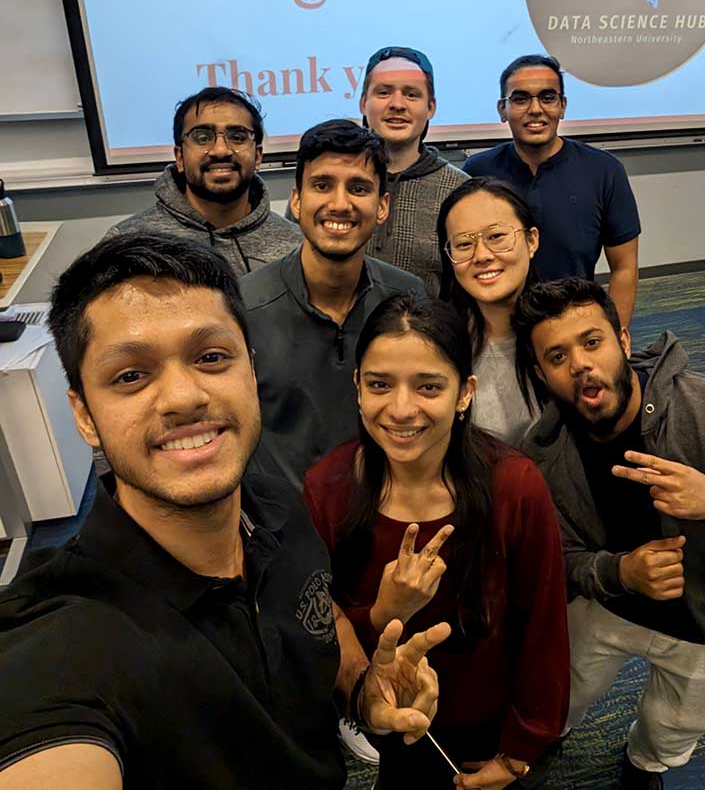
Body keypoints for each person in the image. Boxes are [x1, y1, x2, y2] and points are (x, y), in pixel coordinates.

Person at [0, 233, 449, 790]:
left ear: (250, 373)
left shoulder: (278, 507)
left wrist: (363, 687)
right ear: (84, 415)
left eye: (211, 357)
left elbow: (317, 613)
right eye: (131, 376)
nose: (184, 397)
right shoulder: (61, 642)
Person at [514, 277, 705, 789]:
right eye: (557, 357)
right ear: (541, 374)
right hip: (602, 607)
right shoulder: (540, 453)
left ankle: (644, 764)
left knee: (673, 728)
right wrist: (617, 571)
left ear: (623, 340)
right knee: (561, 694)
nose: (580, 364)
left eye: (592, 342)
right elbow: (554, 558)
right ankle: (545, 740)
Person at [304, 294, 570, 790]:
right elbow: (320, 623)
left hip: (490, 719)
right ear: (358, 386)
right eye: (381, 384)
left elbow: (544, 625)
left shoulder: (514, 486)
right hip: (393, 714)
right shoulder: (328, 486)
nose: (402, 410)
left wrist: (522, 748)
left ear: (465, 393)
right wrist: (384, 613)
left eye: (428, 386)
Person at [240, 119, 424, 491]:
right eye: (322, 186)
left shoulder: (408, 299)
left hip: (387, 514)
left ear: (382, 205)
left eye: (358, 188)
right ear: (296, 200)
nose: (340, 205)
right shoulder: (243, 307)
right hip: (280, 531)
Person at [462, 54, 640, 326]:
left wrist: (616, 334)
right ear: (502, 110)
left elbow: (624, 268)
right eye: (520, 99)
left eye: (547, 97)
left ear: (562, 106)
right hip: (499, 323)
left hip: (573, 320)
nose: (535, 109)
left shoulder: (604, 171)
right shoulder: (477, 170)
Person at [107, 86, 301, 275]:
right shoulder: (125, 246)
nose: (221, 150)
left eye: (238, 137)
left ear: (258, 156)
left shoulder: (297, 246)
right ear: (180, 157)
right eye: (202, 137)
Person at [437, 176, 541, 448]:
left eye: (496, 237)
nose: (481, 255)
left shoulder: (568, 333)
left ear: (531, 241)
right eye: (463, 244)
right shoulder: (438, 348)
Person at [360, 46, 467, 293]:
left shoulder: (460, 192)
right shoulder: (330, 184)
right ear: (364, 104)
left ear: (430, 108)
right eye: (384, 92)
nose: (397, 104)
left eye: (411, 94)